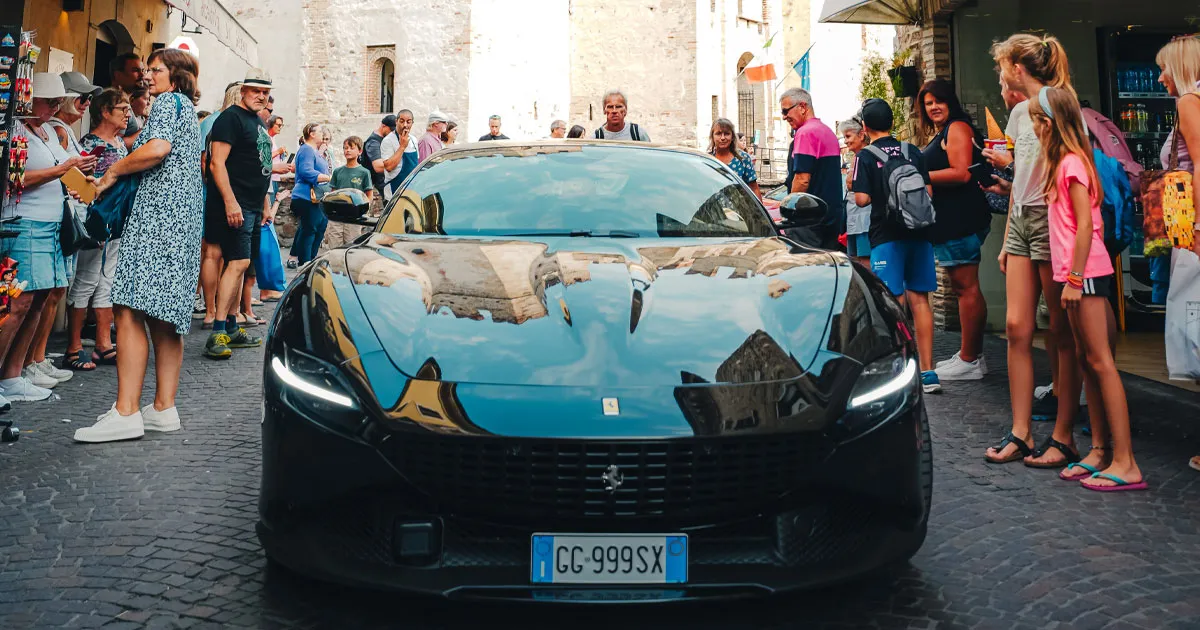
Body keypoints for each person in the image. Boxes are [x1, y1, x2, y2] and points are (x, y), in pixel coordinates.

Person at [74, 49, 204, 442]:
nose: (148, 76)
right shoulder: (186, 110)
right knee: (165, 317)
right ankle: (163, 407)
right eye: (147, 70)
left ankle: (126, 410)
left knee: (128, 308)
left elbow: (158, 148)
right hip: (182, 220)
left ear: (177, 76)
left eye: (156, 69)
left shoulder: (168, 102)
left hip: (158, 218)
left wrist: (113, 169)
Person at [1031, 86, 1144, 491]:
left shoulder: (1072, 164)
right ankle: (1099, 450)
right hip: (1076, 274)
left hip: (1087, 274)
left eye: (1036, 122)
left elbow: (1084, 227)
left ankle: (1125, 460)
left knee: (1100, 363)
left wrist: (1076, 280)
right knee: (1086, 361)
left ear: (1049, 124)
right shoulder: (1063, 162)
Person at [983, 33, 1080, 466]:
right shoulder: (1021, 112)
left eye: (1002, 68)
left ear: (1015, 68)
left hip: (1051, 219)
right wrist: (1007, 240)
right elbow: (1021, 181)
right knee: (1017, 328)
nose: (1001, 76)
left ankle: (1063, 435)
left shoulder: (1059, 105)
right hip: (1022, 222)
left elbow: (1072, 172)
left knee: (1059, 330)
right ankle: (1021, 431)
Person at [0, 73, 95, 405]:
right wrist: (62, 170)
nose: (56, 106)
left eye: (58, 101)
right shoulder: (14, 130)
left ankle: (13, 374)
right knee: (19, 303)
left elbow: (56, 170)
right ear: (30, 100)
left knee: (38, 303)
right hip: (24, 223)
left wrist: (76, 173)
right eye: (50, 101)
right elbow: (14, 180)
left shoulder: (43, 131)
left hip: (50, 223)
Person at [851, 98, 940, 394]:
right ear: (891, 123)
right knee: (920, 301)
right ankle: (929, 372)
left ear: (864, 127)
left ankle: (901, 369)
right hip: (920, 233)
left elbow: (861, 199)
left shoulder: (865, 156)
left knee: (893, 301)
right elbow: (927, 191)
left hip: (886, 235)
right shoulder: (912, 151)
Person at [916, 79, 993, 382]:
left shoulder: (957, 128)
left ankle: (970, 360)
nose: (933, 107)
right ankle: (969, 354)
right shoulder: (946, 131)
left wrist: (917, 173)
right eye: (928, 102)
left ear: (951, 101)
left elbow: (961, 173)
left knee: (966, 287)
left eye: (939, 101)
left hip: (961, 218)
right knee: (964, 287)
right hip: (952, 220)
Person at [201, 68, 274, 360]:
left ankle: (231, 326)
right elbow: (216, 164)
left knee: (241, 264)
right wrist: (231, 202)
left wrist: (265, 204)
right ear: (243, 91)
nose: (261, 96)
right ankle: (217, 331)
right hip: (235, 203)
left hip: (253, 204)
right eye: (255, 91)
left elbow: (260, 164)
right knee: (238, 261)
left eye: (265, 93)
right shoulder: (229, 118)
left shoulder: (255, 120)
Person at [1154, 36, 1200, 471]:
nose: (1161, 76)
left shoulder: (1190, 99)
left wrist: (1196, 227)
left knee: (1196, 325)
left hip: (1195, 230)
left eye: (1165, 67)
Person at [61, 88, 129, 372]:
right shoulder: (89, 143)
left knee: (107, 282)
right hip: (95, 222)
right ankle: (74, 347)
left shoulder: (120, 142)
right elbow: (77, 183)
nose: (128, 113)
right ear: (104, 112)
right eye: (121, 108)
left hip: (115, 223)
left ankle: (103, 343)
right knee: (86, 280)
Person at [780, 87, 843, 250]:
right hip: (831, 218)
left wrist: (789, 210)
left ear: (802, 107)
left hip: (809, 222)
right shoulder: (828, 132)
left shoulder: (805, 133)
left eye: (786, 111)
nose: (784, 116)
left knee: (805, 270)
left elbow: (802, 179)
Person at [288, 122, 333, 268]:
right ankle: (305, 262)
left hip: (317, 197)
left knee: (319, 227)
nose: (322, 135)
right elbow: (306, 171)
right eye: (320, 132)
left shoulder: (314, 151)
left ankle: (310, 261)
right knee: (310, 229)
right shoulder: (306, 149)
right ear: (312, 134)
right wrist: (327, 178)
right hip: (306, 196)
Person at [324, 136, 374, 249]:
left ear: (360, 151)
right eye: (345, 148)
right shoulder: (338, 172)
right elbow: (333, 194)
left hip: (354, 218)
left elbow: (369, 196)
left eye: (351, 148)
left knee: (351, 246)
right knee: (334, 247)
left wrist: (362, 212)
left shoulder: (364, 172)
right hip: (337, 217)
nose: (347, 150)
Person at [838, 117, 871, 266]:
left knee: (865, 261)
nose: (845, 141)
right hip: (856, 219)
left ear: (861, 135)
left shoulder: (866, 156)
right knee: (857, 260)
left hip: (864, 220)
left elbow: (852, 183)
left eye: (848, 136)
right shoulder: (857, 158)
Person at [708, 118, 760, 199]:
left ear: (732, 136)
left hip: (739, 210)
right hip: (714, 210)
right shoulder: (708, 160)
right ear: (712, 136)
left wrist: (759, 211)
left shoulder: (743, 158)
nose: (722, 138)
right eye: (718, 134)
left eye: (726, 134)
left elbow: (754, 188)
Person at [379, 109, 418, 199]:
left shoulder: (414, 140)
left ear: (412, 123)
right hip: (394, 193)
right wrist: (402, 147)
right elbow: (388, 167)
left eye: (408, 122)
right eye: (401, 121)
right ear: (396, 122)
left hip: (412, 191)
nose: (405, 125)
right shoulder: (388, 141)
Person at [364, 114, 396, 199]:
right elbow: (378, 167)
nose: (393, 133)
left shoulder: (387, 139)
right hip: (378, 186)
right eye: (391, 130)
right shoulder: (373, 143)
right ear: (383, 126)